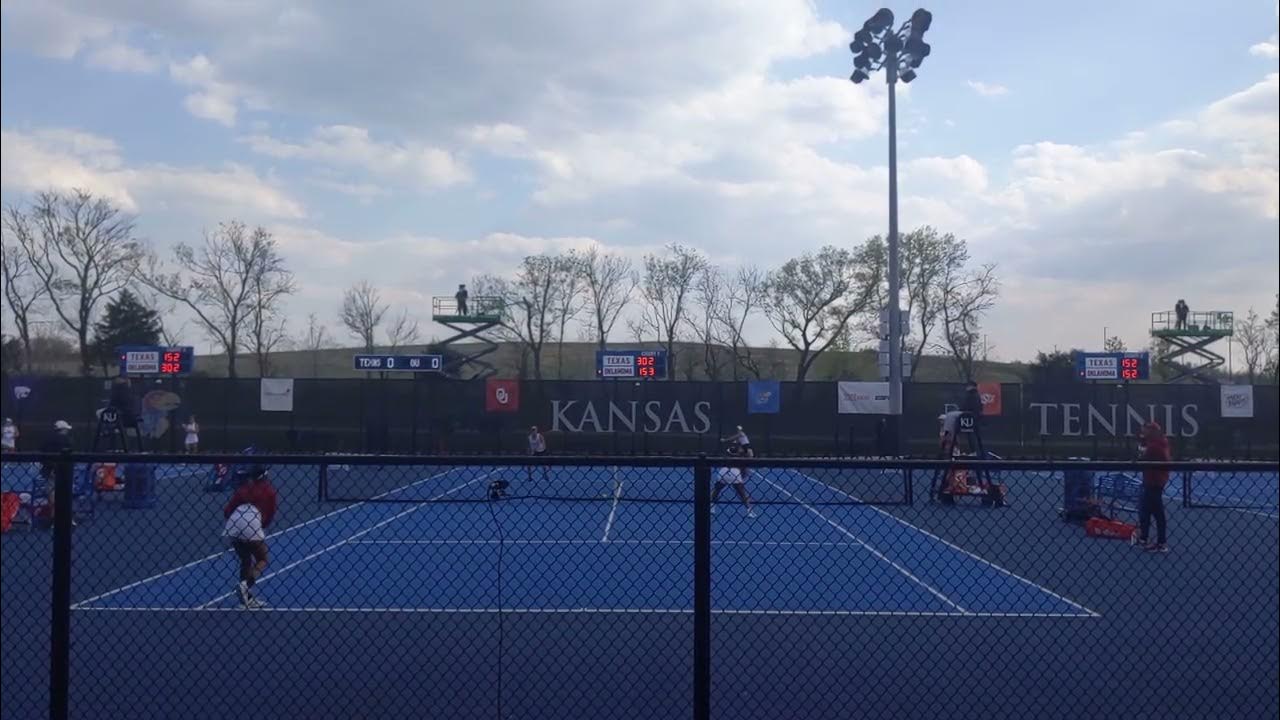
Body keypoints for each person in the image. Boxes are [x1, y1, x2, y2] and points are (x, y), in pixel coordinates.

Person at [222, 465, 279, 608]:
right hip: (252, 523)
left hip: (234, 525)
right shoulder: (269, 491)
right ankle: (245, 585)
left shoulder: (242, 490)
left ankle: (246, 598)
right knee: (262, 558)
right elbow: (270, 514)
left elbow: (228, 510)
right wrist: (260, 526)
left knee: (245, 560)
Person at [1135, 421, 1171, 553]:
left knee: (1156, 511)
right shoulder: (1159, 442)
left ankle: (1161, 543)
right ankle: (1145, 538)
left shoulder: (1155, 446)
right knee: (1146, 509)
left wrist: (1141, 449)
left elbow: (1141, 460)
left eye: (1145, 430)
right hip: (1154, 480)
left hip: (1154, 481)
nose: (1143, 432)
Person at [38, 421, 75, 525]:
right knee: (66, 494)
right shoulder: (67, 440)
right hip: (63, 471)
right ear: (63, 429)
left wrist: (49, 467)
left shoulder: (47, 440)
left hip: (49, 470)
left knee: (52, 494)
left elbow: (42, 455)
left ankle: (54, 518)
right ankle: (66, 518)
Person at [711, 445, 756, 517]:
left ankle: (712, 507)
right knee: (742, 494)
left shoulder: (726, 456)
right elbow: (744, 470)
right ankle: (749, 512)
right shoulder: (741, 458)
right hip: (735, 473)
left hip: (724, 472)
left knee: (716, 490)